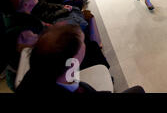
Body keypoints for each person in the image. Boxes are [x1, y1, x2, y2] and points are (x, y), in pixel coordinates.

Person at [15, 24, 144, 93]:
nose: (85, 44)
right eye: (82, 42)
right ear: (72, 63)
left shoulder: (37, 70)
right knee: (138, 90)